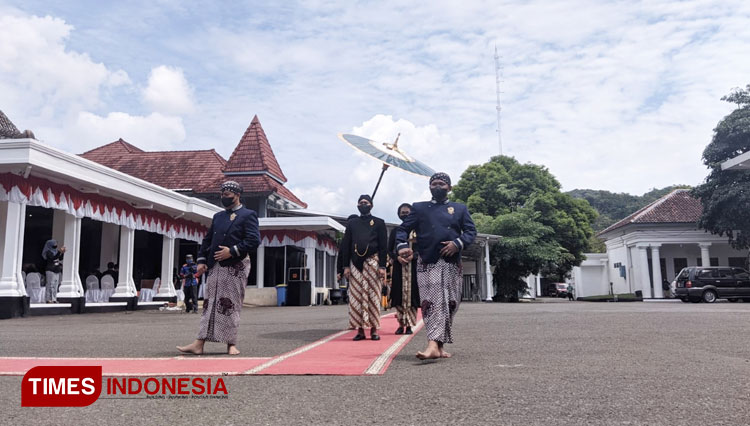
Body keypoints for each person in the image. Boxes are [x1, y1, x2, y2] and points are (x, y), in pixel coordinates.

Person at [396, 172, 476, 360]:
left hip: (451, 263)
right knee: (433, 302)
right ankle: (432, 344)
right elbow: (402, 230)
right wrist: (401, 247)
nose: (437, 186)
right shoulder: (419, 208)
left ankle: (439, 347)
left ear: (449, 187)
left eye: (441, 183)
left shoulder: (459, 209)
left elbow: (471, 231)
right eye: (433, 184)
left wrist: (457, 243)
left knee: (450, 303)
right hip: (428, 261)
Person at [177, 181, 260, 355]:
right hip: (215, 265)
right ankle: (199, 343)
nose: (224, 198)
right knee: (210, 304)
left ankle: (231, 344)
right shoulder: (218, 216)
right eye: (222, 195)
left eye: (227, 195)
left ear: (237, 195)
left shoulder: (248, 214)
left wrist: (232, 251)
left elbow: (254, 240)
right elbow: (208, 240)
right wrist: (202, 260)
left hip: (235, 265)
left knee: (230, 304)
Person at [340, 195, 387, 341]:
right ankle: (360, 330)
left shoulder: (379, 223)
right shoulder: (352, 223)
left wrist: (383, 266)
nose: (363, 204)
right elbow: (346, 246)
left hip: (373, 263)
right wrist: (345, 266)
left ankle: (374, 330)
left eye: (366, 202)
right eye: (360, 203)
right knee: (356, 297)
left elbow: (383, 246)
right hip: (355, 265)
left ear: (371, 205)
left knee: (373, 297)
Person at [388, 203, 420, 335]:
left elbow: (424, 249)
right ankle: (401, 324)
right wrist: (397, 258)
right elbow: (389, 250)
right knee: (399, 296)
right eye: (402, 212)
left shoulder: (419, 230)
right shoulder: (396, 231)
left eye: (407, 212)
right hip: (399, 267)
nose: (405, 214)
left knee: (412, 297)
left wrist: (414, 256)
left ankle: (410, 325)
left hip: (414, 267)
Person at [42, 239, 65, 303]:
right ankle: (48, 299)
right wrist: (59, 252)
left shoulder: (56, 251)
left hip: (56, 270)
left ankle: (54, 299)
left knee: (55, 285)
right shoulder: (48, 252)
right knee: (50, 285)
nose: (56, 245)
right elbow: (53, 258)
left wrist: (62, 253)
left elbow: (59, 258)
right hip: (50, 270)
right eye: (54, 244)